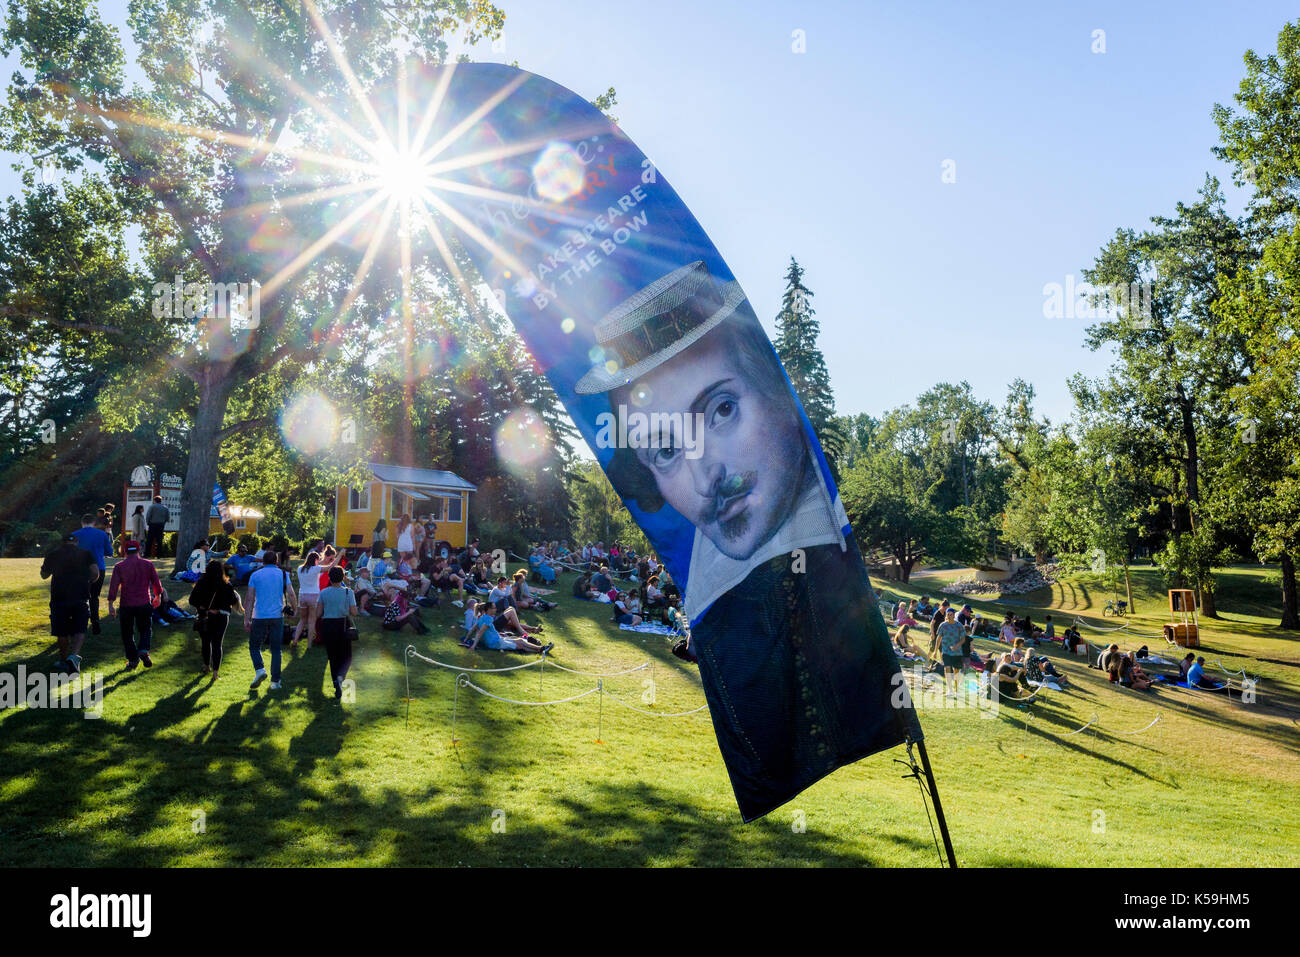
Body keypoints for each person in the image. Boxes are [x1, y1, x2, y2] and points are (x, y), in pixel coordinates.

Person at [41, 531, 100, 674]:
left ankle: (63, 660)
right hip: (80, 595)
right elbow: (95, 572)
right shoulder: (86, 554)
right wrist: (88, 582)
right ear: (76, 542)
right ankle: (74, 656)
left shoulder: (53, 554)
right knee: (80, 628)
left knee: (61, 630)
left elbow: (44, 575)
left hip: (59, 596)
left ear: (63, 542)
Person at [107, 539, 163, 670]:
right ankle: (143, 649)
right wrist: (158, 596)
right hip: (143, 602)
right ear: (139, 551)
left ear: (125, 551)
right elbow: (156, 582)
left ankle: (133, 660)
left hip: (126, 604)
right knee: (145, 629)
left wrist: (111, 603)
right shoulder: (148, 564)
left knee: (127, 633)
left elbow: (113, 586)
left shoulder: (119, 566)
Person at [245, 552, 297, 691]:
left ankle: (260, 669)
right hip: (277, 615)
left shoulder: (255, 575)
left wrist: (247, 618)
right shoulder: (283, 574)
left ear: (263, 562)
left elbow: (249, 598)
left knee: (254, 646)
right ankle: (275, 682)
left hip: (259, 615)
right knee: (276, 649)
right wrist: (295, 609)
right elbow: (291, 593)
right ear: (276, 561)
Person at [188, 560, 241, 680]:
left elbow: (192, 600)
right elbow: (232, 601)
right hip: (221, 617)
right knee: (217, 644)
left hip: (204, 616)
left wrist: (203, 607)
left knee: (205, 643)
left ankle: (206, 666)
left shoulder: (201, 583)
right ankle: (216, 673)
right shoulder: (226, 585)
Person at [71, 513, 113, 636]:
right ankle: (95, 621)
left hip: (79, 569)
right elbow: (109, 552)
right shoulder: (101, 534)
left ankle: (78, 623)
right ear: (94, 523)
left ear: (81, 523)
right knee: (94, 596)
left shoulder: (74, 535)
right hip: (99, 568)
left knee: (79, 596)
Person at [319, 566, 357, 699]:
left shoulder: (323, 592)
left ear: (329, 577)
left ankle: (336, 683)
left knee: (333, 657)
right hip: (343, 624)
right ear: (343, 577)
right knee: (347, 656)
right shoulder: (348, 592)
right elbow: (354, 612)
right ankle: (341, 678)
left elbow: (319, 613)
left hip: (328, 625)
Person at [466, 603, 551, 655]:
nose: (495, 609)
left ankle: (539, 650)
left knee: (519, 642)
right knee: (520, 643)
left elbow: (472, 630)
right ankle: (542, 648)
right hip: (496, 643)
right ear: (488, 610)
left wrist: (466, 639)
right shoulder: (488, 619)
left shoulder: (480, 619)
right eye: (493, 608)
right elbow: (480, 632)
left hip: (497, 640)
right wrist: (473, 646)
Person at [293, 551, 322, 647]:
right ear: (315, 560)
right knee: (311, 621)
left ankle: (295, 640)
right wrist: (339, 555)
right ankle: (309, 644)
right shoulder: (316, 569)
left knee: (302, 620)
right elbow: (330, 567)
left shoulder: (300, 568)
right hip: (313, 596)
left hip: (302, 596)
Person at [936, 608, 967, 697]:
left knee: (956, 671)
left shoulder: (959, 626)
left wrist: (957, 645)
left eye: (951, 614)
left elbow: (963, 639)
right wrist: (935, 651)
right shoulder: (943, 625)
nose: (949, 616)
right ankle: (950, 690)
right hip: (946, 651)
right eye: (948, 614)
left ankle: (957, 690)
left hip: (957, 652)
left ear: (954, 615)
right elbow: (938, 638)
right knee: (947, 669)